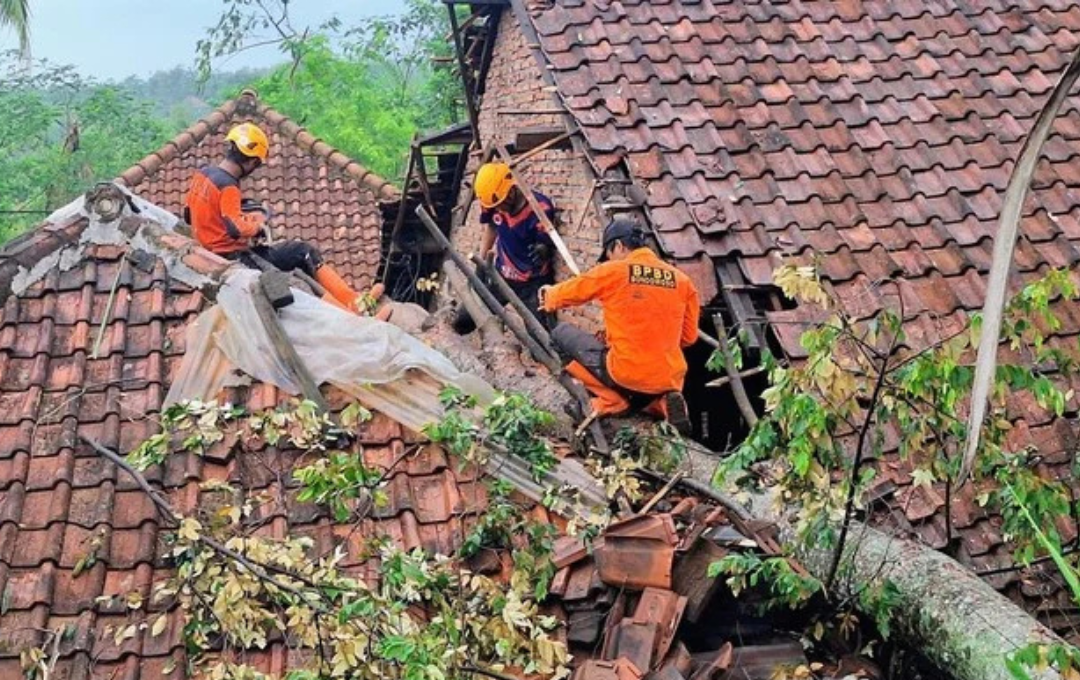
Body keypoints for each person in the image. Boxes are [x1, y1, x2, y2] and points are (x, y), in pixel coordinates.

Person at [185, 122, 377, 314]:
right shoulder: (228, 186)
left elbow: (188, 215)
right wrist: (257, 226)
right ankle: (349, 312)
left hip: (209, 251)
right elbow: (235, 229)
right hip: (233, 257)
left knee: (300, 251)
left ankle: (351, 302)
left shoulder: (202, 174)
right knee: (296, 282)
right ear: (252, 162)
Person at [539, 219, 700, 435]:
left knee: (560, 335)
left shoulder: (616, 270)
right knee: (647, 379)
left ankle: (611, 400)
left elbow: (572, 291)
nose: (609, 259)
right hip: (668, 379)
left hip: (625, 374)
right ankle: (661, 405)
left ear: (618, 246)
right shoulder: (683, 281)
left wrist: (549, 296)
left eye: (608, 254)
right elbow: (688, 338)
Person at [474, 161, 557, 328]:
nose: (498, 209)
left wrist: (543, 250)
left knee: (540, 333)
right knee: (470, 315)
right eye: (495, 207)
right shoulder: (492, 201)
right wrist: (480, 263)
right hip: (502, 274)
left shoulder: (540, 208)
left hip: (532, 281)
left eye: (501, 204)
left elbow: (548, 244)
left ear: (511, 191)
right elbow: (492, 227)